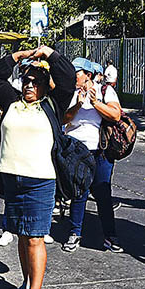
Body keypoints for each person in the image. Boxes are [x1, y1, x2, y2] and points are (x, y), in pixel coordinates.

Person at [0, 46, 75, 289]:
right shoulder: (11, 102)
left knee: (35, 237)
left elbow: (68, 78)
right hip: (12, 180)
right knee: (22, 236)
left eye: (36, 82)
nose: (29, 85)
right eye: (26, 80)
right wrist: (19, 56)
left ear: (45, 87)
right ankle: (25, 285)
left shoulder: (53, 105)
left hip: (40, 181)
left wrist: (49, 53)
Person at [61, 58, 123, 253]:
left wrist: (95, 102)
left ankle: (110, 236)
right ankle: (74, 233)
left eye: (76, 73)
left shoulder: (105, 91)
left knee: (103, 193)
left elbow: (115, 115)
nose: (73, 77)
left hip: (101, 150)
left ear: (87, 75)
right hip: (76, 150)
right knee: (79, 192)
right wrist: (78, 105)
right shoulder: (70, 92)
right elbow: (63, 119)